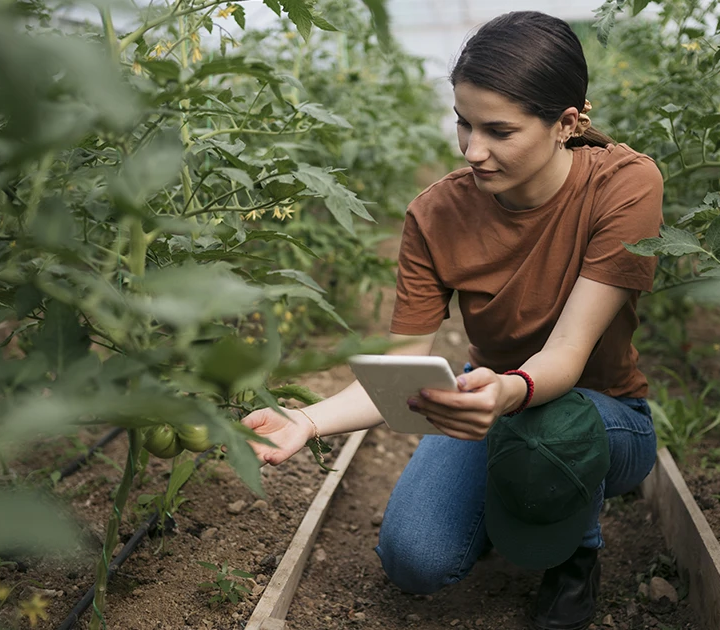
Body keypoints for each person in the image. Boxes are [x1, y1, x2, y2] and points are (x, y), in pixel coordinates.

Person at [243, 10, 662, 630]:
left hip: (602, 413)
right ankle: (510, 500)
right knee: (416, 560)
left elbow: (566, 357)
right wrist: (306, 420)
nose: (473, 150)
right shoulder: (437, 215)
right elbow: (403, 370)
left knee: (549, 431)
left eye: (499, 130)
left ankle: (576, 554)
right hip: (487, 391)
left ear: (566, 123)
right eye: (463, 124)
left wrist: (504, 392)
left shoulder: (624, 186)